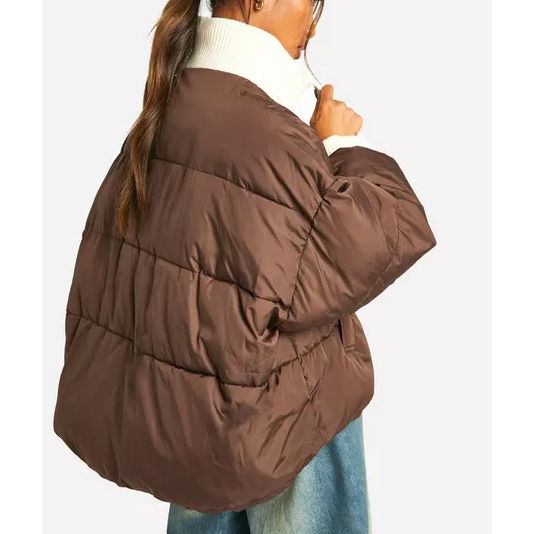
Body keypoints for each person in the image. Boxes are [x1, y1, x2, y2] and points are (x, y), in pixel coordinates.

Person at [53, 1, 436, 533]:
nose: (312, 24)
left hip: (190, 425)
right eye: (310, 3)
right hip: (285, 419)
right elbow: (392, 228)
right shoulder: (274, 138)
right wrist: (339, 143)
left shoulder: (163, 114)